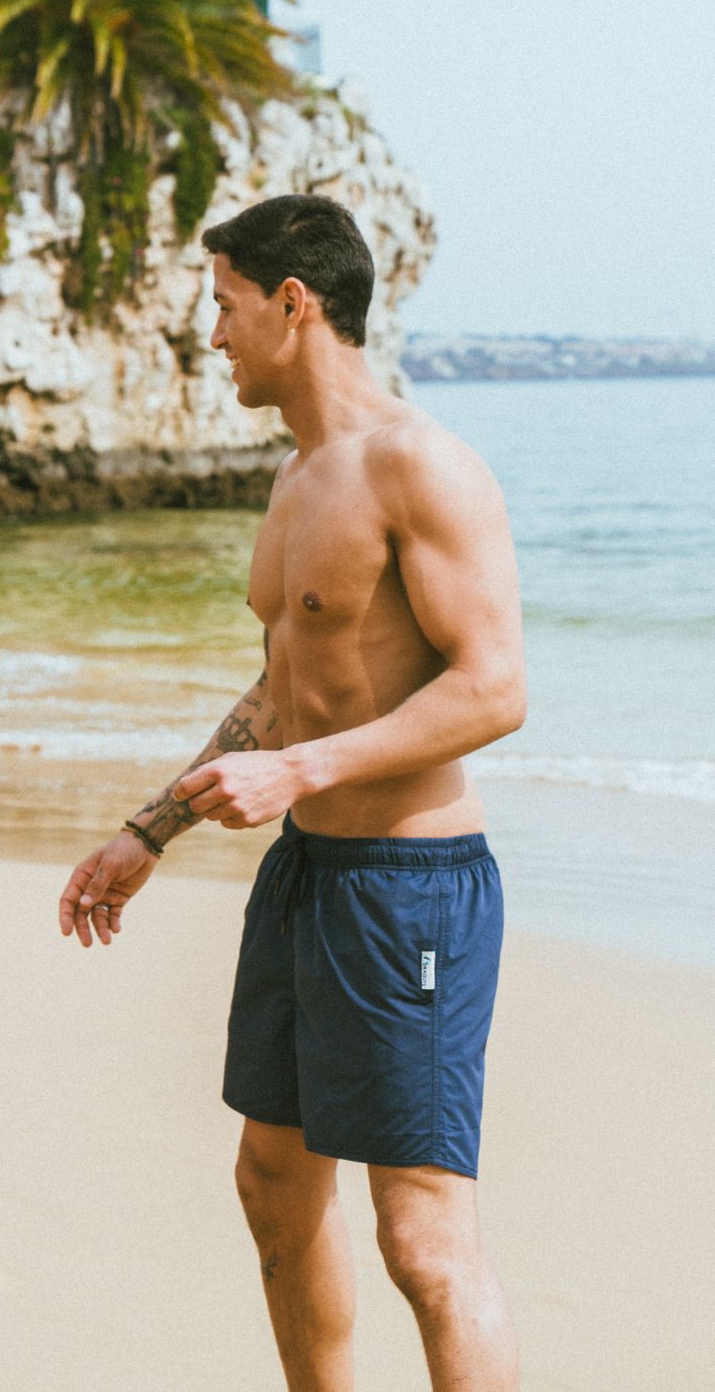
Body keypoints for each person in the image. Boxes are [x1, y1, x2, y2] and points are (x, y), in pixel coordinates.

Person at [59, 193, 525, 1392]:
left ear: (291, 303)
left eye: (221, 307)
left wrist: (303, 770)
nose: (209, 336)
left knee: (423, 1241)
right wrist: (148, 830)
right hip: (308, 877)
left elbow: (493, 690)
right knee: (271, 1182)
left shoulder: (419, 465)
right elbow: (284, 690)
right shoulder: (295, 482)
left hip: (409, 890)